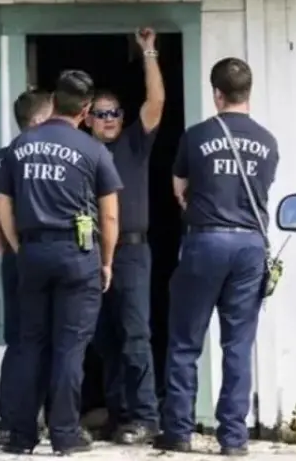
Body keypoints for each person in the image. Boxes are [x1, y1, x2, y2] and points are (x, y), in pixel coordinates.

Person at [0, 69, 122, 456]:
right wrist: (107, 262)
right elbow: (110, 216)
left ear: (54, 102)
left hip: (32, 252)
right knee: (70, 347)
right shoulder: (94, 150)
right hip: (77, 254)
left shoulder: (20, 146)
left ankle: (19, 436)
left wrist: (19, 246)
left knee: (29, 344)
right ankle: (64, 434)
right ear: (85, 110)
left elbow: (3, 205)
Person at [156, 57, 279, 456]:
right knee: (238, 345)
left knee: (185, 343)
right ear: (248, 91)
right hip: (248, 247)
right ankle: (233, 439)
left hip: (205, 241)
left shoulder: (195, 137)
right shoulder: (267, 141)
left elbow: (178, 189)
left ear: (216, 93)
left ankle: (177, 432)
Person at [86, 27, 165, 445]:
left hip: (133, 252)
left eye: (115, 112)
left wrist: (148, 51)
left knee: (136, 335)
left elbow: (156, 103)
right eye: (101, 113)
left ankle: (146, 417)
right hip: (91, 254)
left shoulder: (134, 142)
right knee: (104, 339)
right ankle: (119, 417)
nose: (110, 118)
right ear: (88, 118)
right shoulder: (80, 151)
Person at [0, 89, 53, 449]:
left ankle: (9, 423)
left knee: (20, 342)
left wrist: (4, 250)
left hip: (15, 259)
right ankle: (51, 421)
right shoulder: (45, 156)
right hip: (42, 254)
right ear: (39, 120)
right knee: (51, 341)